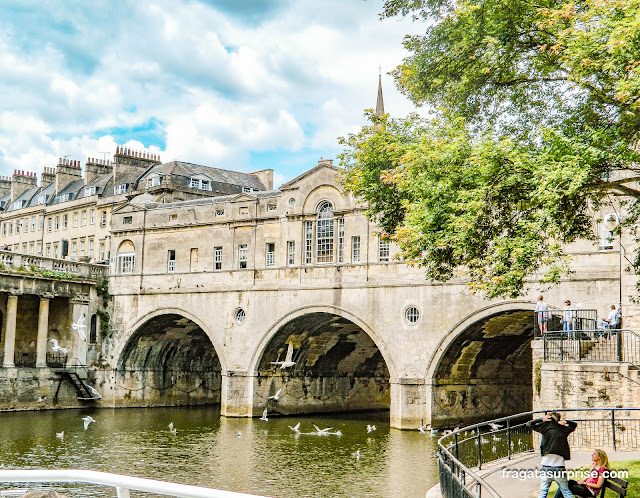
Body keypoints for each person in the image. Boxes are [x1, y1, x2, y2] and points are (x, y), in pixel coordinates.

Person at [527, 411, 577, 498]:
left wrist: (541, 419)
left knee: (543, 491)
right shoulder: (563, 429)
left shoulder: (545, 428)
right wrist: (566, 422)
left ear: (549, 419)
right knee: (565, 491)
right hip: (559, 465)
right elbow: (574, 425)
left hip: (546, 465)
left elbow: (529, 424)